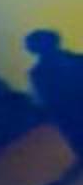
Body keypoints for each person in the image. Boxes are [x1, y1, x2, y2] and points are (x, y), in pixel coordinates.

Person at [29, 30, 83, 159]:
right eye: (42, 45)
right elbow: (49, 102)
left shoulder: (78, 59)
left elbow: (47, 102)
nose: (46, 47)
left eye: (46, 43)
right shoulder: (38, 74)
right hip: (72, 117)